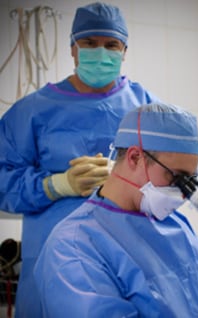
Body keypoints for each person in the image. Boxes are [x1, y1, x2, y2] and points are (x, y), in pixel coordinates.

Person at [34, 102, 198, 318]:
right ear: (134, 157)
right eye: (177, 178)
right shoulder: (74, 247)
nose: (183, 194)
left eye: (191, 180)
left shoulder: (176, 225)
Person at [0, 2, 160, 317]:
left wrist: (125, 179)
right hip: (52, 263)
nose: (100, 52)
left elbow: (173, 179)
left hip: (127, 261)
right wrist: (57, 184)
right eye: (89, 43)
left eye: (111, 45)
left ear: (124, 50)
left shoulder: (146, 108)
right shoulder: (32, 110)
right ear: (73, 49)